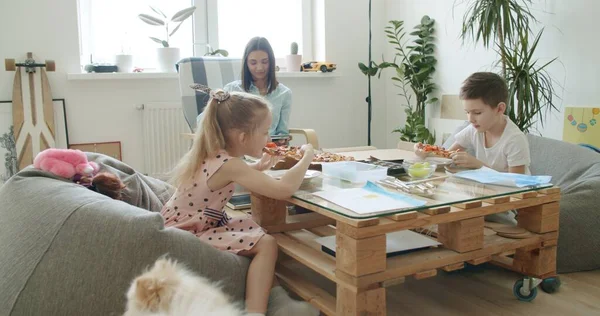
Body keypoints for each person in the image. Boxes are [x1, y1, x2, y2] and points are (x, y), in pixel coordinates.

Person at [160, 87, 318, 316]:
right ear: (243, 137)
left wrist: (260, 166)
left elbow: (228, 176)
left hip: (184, 223)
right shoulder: (231, 165)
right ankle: (256, 311)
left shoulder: (213, 154)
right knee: (267, 244)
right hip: (187, 234)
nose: (269, 138)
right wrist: (307, 158)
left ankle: (278, 300)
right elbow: (284, 189)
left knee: (251, 226)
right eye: (265, 132)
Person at [417, 72, 531, 175]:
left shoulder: (514, 139)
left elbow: (517, 185)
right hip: (485, 191)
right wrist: (427, 152)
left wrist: (478, 165)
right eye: (467, 112)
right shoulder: (474, 129)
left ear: (500, 109)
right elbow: (447, 155)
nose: (470, 119)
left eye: (477, 112)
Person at [224, 37, 292, 145]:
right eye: (253, 63)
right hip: (237, 153)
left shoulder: (284, 94)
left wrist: (282, 139)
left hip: (268, 151)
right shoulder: (232, 90)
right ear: (246, 63)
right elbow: (207, 121)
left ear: (271, 62)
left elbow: (282, 132)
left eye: (265, 62)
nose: (259, 68)